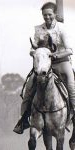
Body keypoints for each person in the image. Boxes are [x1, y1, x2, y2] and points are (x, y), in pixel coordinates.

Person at [13, 2, 75, 134]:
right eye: (45, 15)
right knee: (29, 88)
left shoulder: (61, 29)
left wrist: (55, 55)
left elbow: (70, 50)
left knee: (71, 86)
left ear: (55, 15)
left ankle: (74, 117)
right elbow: (33, 48)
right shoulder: (38, 29)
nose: (47, 17)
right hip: (43, 64)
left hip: (62, 62)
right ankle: (23, 120)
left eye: (49, 15)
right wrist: (35, 52)